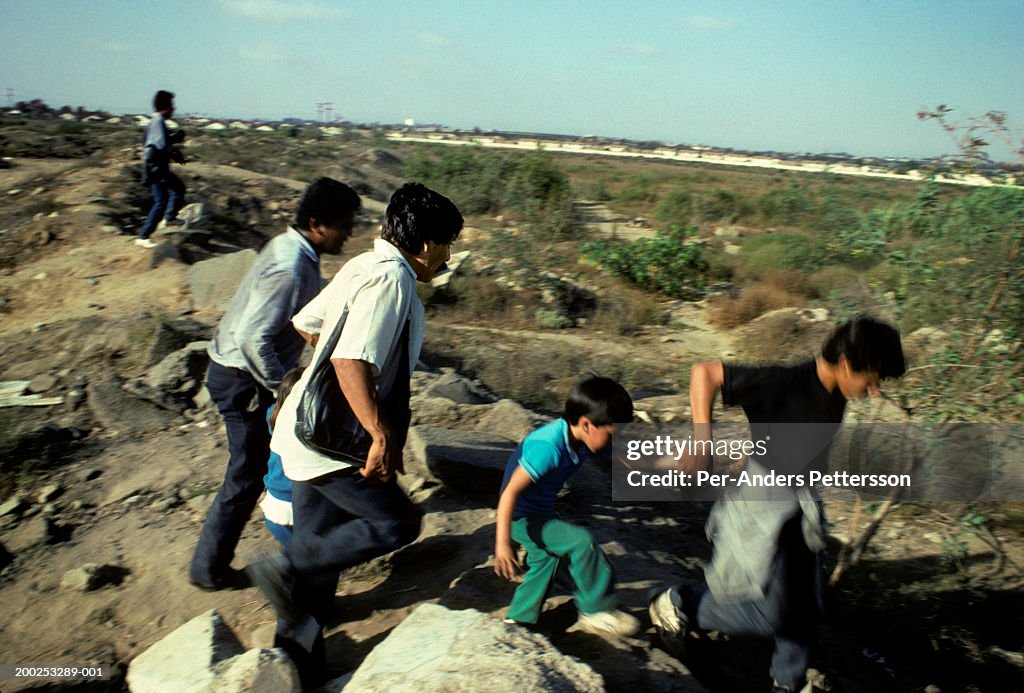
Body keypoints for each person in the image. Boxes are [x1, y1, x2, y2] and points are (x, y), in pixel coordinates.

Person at [247, 182, 463, 686]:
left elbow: (308, 326)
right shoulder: (392, 281)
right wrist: (377, 430)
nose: (448, 255)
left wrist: (333, 370)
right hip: (332, 441)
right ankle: (287, 567)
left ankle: (291, 665)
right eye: (448, 243)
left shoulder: (365, 265)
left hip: (306, 430)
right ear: (428, 243)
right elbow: (349, 359)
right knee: (398, 523)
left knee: (322, 552)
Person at [648, 316, 906, 693]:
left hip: (799, 506)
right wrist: (703, 440)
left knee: (805, 605)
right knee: (771, 614)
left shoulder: (836, 390)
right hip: (760, 509)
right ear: (848, 365)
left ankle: (787, 683)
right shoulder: (787, 384)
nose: (874, 391)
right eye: (872, 380)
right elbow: (705, 372)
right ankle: (679, 603)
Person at [188, 177, 361, 591]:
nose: (350, 234)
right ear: (318, 224)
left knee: (264, 469)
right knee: (246, 476)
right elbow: (254, 338)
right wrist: (283, 387)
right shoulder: (291, 265)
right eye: (345, 225)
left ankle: (286, 549)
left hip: (236, 370)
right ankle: (209, 570)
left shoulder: (293, 249)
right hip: (243, 379)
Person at [495, 376, 641, 637]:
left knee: (547, 558)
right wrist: (502, 544)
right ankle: (595, 611)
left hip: (540, 511)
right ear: (587, 424)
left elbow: (627, 455)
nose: (614, 440)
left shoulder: (582, 438)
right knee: (580, 541)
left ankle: (517, 621)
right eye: (611, 434)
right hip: (522, 516)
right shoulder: (548, 448)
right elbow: (509, 494)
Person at [260, 367, 305, 548]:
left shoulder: (272, 413)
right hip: (295, 508)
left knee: (301, 559)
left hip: (273, 506)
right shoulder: (304, 426)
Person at [137, 90, 187, 249]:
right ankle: (143, 236)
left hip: (158, 166)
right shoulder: (157, 121)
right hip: (156, 167)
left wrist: (173, 147)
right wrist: (174, 142)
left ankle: (170, 218)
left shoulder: (156, 122)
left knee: (178, 188)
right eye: (171, 105)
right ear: (164, 106)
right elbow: (158, 145)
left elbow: (155, 142)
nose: (174, 109)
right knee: (161, 201)